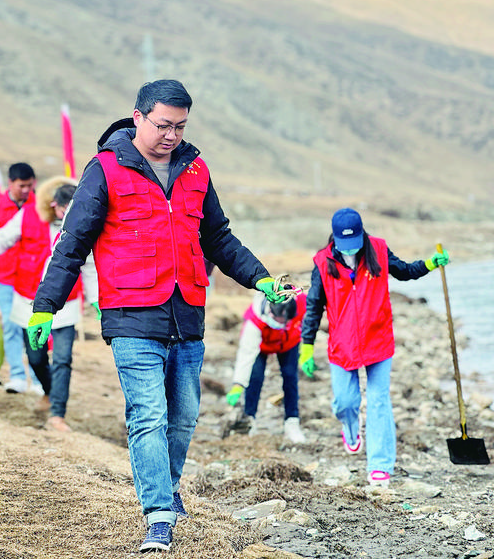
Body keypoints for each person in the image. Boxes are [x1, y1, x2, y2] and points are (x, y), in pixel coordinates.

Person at [29, 80, 292, 554]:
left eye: (181, 126)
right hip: (131, 313)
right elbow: (72, 244)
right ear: (138, 117)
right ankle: (158, 515)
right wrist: (46, 306)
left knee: (184, 416)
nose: (171, 135)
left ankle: (168, 488)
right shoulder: (105, 169)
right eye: (163, 125)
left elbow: (219, 238)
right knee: (148, 415)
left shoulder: (195, 169)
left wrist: (260, 279)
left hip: (186, 310)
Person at [301, 207, 450, 489]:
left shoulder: (378, 250)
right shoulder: (322, 262)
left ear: (362, 234)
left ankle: (380, 466)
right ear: (334, 238)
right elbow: (314, 306)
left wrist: (429, 264)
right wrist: (306, 346)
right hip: (342, 345)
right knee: (345, 403)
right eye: (344, 243)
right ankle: (350, 428)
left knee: (379, 401)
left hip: (377, 340)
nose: (350, 248)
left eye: (354, 242)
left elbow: (404, 271)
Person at [0, 176, 98, 432]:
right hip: (27, 299)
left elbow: (89, 266)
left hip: (66, 303)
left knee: (63, 359)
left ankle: (57, 414)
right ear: (54, 205)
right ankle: (49, 391)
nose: (68, 215)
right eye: (64, 210)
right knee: (36, 357)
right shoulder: (29, 215)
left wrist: (97, 300)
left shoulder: (82, 226)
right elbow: (3, 237)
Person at [0, 162, 41, 394]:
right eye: (22, 186)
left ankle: (38, 378)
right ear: (10, 183)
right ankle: (17, 377)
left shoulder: (40, 206)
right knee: (11, 327)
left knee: (34, 327)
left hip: (33, 278)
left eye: (30, 186)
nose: (26, 190)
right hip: (5, 277)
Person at [225, 292, 306, 443]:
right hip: (261, 346)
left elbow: (319, 305)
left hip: (289, 342)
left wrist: (308, 347)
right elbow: (246, 355)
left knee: (290, 376)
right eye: (278, 321)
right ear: (270, 312)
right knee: (255, 377)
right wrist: (238, 384)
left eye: (285, 322)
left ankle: (292, 422)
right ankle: (249, 420)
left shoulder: (301, 302)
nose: (280, 325)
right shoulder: (254, 321)